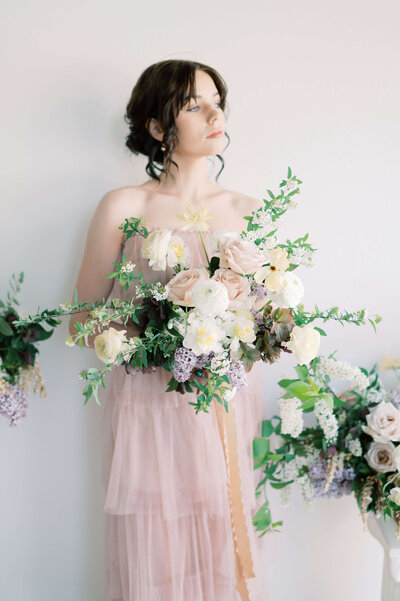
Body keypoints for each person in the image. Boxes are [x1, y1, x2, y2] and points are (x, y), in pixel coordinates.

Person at [69, 59, 266, 601]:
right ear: (158, 128)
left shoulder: (246, 212)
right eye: (192, 105)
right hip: (149, 410)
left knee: (221, 545)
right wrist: (162, 335)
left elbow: (269, 321)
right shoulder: (124, 206)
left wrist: (245, 332)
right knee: (156, 552)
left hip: (221, 408)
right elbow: (83, 318)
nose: (213, 113)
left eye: (215, 101)